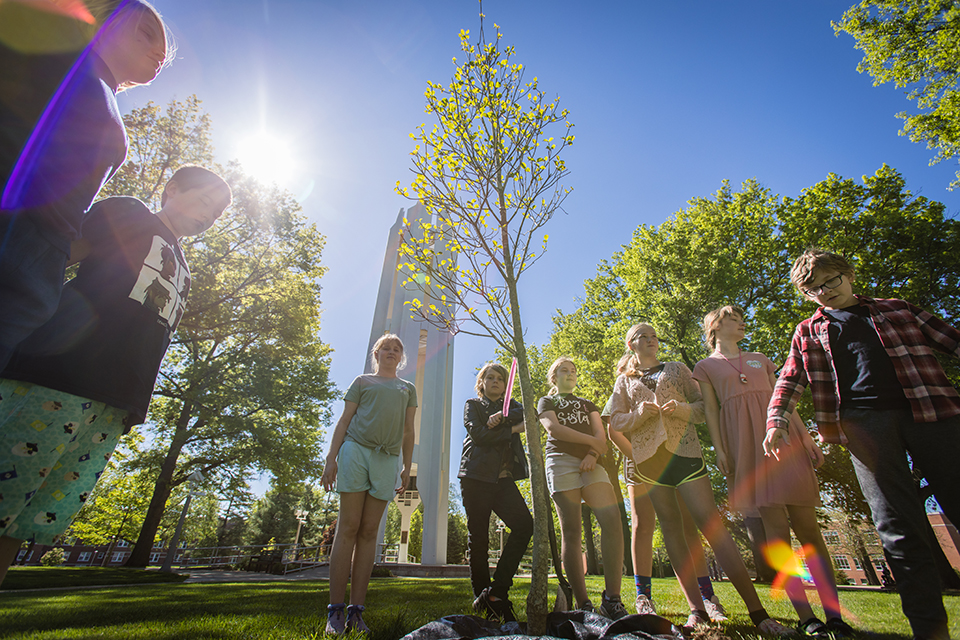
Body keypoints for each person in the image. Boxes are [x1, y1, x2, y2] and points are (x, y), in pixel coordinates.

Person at [0, 165, 231, 584]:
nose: (207, 216)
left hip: (113, 404)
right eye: (203, 201)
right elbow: (50, 259)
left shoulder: (185, 271)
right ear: (172, 189)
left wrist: (133, 406)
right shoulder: (128, 214)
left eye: (216, 214)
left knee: (22, 521)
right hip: (56, 376)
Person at [766, 248, 960, 640]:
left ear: (848, 274)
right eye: (813, 288)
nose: (824, 291)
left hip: (932, 411)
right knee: (894, 525)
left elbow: (952, 340)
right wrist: (776, 422)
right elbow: (788, 379)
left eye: (830, 281)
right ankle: (929, 631)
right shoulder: (808, 331)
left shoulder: (898, 310)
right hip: (864, 428)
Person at [0, 0, 172, 370]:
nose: (161, 51)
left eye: (164, 50)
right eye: (146, 33)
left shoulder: (102, 91)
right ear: (100, 20)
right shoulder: (54, 61)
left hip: (40, 263)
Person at [609, 324, 795, 634]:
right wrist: (640, 414)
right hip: (650, 464)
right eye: (644, 335)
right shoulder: (623, 382)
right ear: (631, 344)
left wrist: (680, 409)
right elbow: (616, 421)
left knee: (710, 524)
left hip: (686, 455)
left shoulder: (678, 369)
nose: (652, 339)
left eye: (655, 335)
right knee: (671, 529)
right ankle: (697, 611)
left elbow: (703, 407)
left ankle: (759, 614)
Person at [695, 306, 852, 637]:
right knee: (777, 533)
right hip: (746, 446)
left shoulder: (760, 359)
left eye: (741, 319)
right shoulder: (705, 367)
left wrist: (807, 437)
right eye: (734, 319)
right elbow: (711, 409)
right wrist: (721, 451)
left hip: (782, 437)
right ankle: (807, 616)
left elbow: (784, 398)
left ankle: (834, 614)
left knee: (808, 528)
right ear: (716, 326)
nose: (742, 323)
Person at [602, 354, 727, 620]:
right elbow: (614, 429)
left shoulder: (667, 377)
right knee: (642, 524)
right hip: (640, 465)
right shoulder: (622, 387)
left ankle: (708, 596)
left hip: (672, 459)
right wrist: (638, 457)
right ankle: (643, 596)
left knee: (685, 525)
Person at [321, 334, 417, 635]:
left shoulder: (407, 389)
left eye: (396, 349)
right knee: (348, 526)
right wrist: (331, 459)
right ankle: (335, 611)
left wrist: (406, 467)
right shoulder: (362, 382)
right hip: (356, 452)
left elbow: (408, 431)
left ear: (401, 357)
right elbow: (344, 421)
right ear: (376, 354)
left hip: (387, 459)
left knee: (369, 532)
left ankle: (356, 611)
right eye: (385, 348)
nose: (391, 352)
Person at [537, 357, 627, 620]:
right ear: (554, 377)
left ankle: (612, 599)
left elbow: (602, 436)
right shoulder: (547, 401)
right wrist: (592, 442)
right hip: (560, 462)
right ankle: (583, 602)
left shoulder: (588, 404)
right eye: (564, 370)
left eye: (574, 371)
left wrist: (591, 453)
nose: (571, 374)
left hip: (591, 463)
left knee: (612, 521)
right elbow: (554, 429)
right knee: (572, 530)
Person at [459, 362, 532, 623]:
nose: (495, 381)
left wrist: (501, 418)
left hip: (502, 480)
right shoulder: (473, 405)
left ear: (504, 384)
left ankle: (497, 591)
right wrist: (511, 429)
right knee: (478, 538)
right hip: (476, 477)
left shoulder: (511, 407)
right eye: (489, 378)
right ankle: (482, 599)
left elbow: (529, 415)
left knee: (525, 526)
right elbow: (479, 435)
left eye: (500, 378)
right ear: (482, 383)